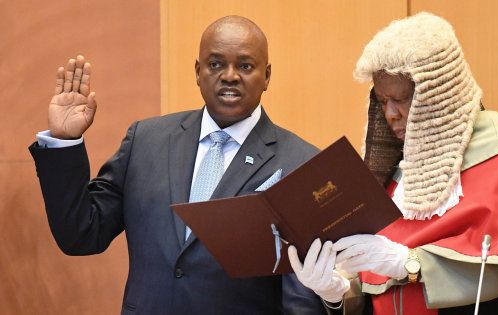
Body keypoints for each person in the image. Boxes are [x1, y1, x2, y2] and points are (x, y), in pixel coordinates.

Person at [288, 12, 498, 314]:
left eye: (402, 99)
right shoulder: (395, 170)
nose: (390, 115)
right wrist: (339, 292)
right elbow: (377, 290)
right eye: (383, 101)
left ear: (438, 97)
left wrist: (410, 263)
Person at [29, 16, 327, 314]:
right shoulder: (146, 141)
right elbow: (82, 234)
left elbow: (300, 300)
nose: (230, 76)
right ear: (198, 72)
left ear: (267, 75)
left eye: (246, 66)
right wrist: (64, 142)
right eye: (216, 64)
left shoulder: (301, 164)